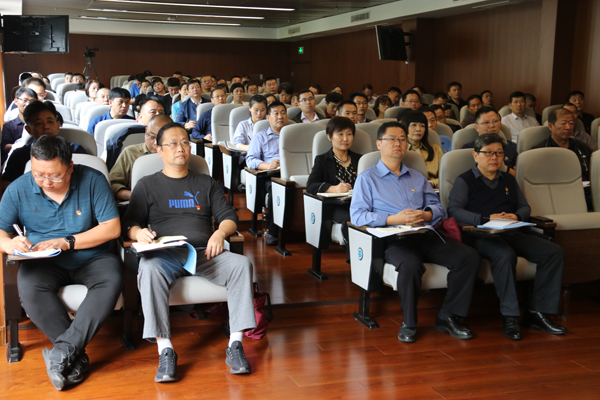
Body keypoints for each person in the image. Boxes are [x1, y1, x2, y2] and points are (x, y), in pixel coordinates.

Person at [123, 122, 256, 381]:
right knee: (148, 269)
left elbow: (229, 217)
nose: (180, 148)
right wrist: (138, 234)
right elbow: (129, 223)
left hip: (205, 252)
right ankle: (165, 350)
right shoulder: (147, 185)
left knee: (241, 264)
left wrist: (220, 233)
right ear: (159, 150)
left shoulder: (206, 182)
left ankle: (235, 344)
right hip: (165, 255)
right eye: (173, 143)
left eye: (185, 142)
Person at [0, 135, 122, 391]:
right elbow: (1, 232)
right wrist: (10, 244)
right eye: (38, 175)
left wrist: (67, 242)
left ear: (70, 167)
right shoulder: (19, 188)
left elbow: (112, 228)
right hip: (43, 261)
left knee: (111, 279)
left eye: (55, 176)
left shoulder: (93, 180)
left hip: (92, 256)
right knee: (29, 286)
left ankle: (62, 352)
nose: (46, 182)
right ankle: (73, 355)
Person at [350, 121, 480, 343]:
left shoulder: (417, 177)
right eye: (392, 139)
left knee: (469, 257)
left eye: (402, 139)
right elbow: (358, 216)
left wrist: (426, 215)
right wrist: (395, 219)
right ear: (379, 144)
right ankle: (409, 322)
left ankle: (448, 316)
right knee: (410, 265)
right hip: (394, 239)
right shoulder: (367, 178)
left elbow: (438, 208)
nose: (398, 143)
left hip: (425, 234)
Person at [448, 133, 567, 340]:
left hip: (513, 230)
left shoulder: (509, 180)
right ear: (476, 156)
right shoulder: (464, 180)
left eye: (499, 153)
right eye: (488, 153)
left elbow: (524, 206)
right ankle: (510, 316)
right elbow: (454, 210)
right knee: (505, 255)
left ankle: (538, 313)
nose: (494, 158)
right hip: (482, 235)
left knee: (553, 252)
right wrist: (485, 218)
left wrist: (517, 216)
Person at [2, 101, 86, 186]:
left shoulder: (76, 150)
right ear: (29, 129)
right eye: (38, 123)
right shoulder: (19, 155)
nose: (46, 127)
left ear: (58, 125)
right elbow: (6, 185)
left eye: (50, 122)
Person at [306, 117, 361, 245]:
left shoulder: (360, 159)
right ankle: (353, 253)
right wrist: (333, 188)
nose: (345, 139)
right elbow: (311, 185)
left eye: (349, 134)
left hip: (359, 204)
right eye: (340, 134)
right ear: (329, 137)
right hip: (337, 206)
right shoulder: (322, 160)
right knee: (352, 218)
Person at [532, 108, 593, 210]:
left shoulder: (582, 148)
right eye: (563, 123)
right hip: (556, 196)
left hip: (586, 194)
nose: (568, 127)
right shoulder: (539, 151)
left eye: (571, 123)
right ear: (550, 126)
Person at [246, 101, 288, 245]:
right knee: (276, 191)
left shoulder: (294, 135)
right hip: (272, 175)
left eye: (283, 113)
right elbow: (250, 160)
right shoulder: (260, 136)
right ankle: (273, 232)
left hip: (292, 174)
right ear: (268, 118)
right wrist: (268, 165)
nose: (280, 116)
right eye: (276, 113)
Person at [110, 114, 171, 200]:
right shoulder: (130, 153)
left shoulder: (177, 155)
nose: (155, 143)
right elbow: (112, 184)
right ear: (146, 131)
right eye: (152, 137)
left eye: (162, 139)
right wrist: (136, 196)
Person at [105, 97, 165, 170]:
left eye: (161, 113)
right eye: (153, 112)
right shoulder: (127, 145)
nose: (158, 115)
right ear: (140, 117)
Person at [462, 107, 517, 176]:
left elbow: (518, 176)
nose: (492, 125)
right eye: (486, 122)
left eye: (495, 121)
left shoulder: (511, 147)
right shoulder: (467, 149)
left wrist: (504, 168)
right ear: (477, 127)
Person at [400, 110, 444, 189]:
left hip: (434, 191)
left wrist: (431, 183)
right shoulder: (400, 150)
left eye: (422, 126)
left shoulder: (435, 149)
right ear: (405, 127)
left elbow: (445, 176)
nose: (418, 129)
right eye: (414, 125)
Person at [1, 87, 36, 161]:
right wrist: (22, 145)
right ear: (16, 101)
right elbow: (5, 147)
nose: (28, 104)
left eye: (32, 101)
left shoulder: (39, 124)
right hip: (17, 159)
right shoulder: (9, 126)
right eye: (24, 100)